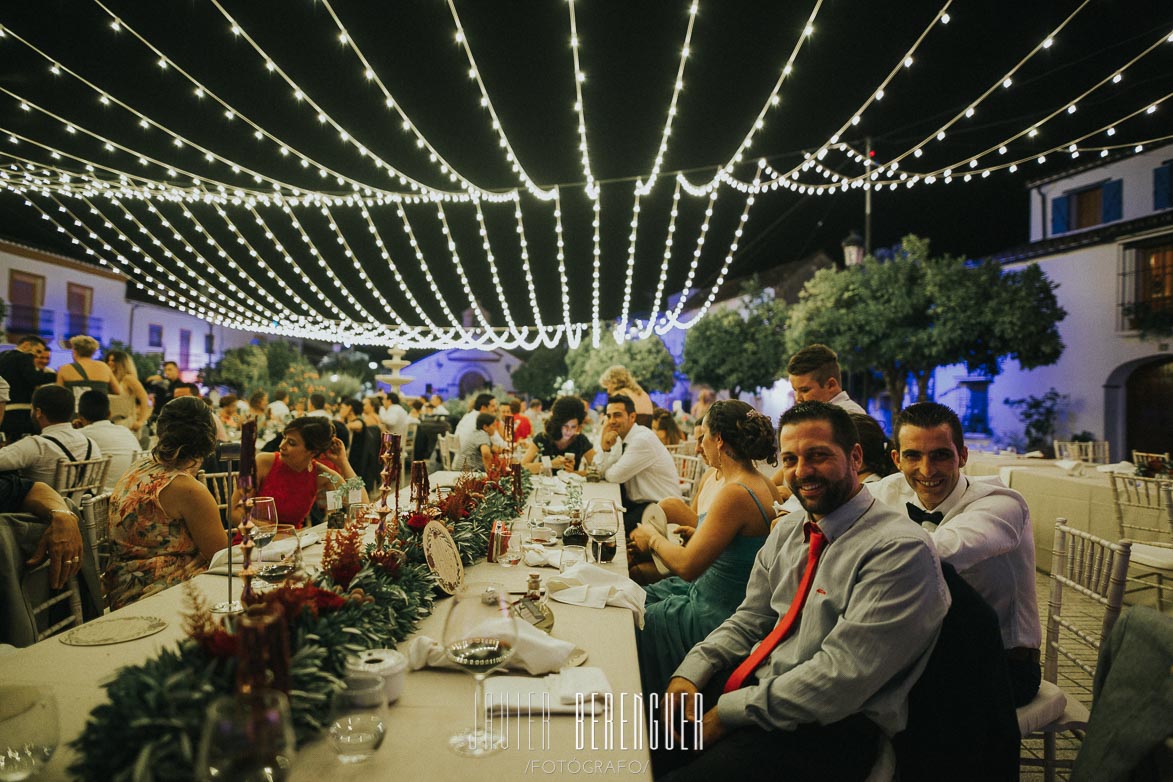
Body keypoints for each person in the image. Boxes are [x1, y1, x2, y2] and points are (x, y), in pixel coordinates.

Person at [659, 402, 948, 780]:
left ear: (855, 456)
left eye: (818, 456)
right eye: (791, 459)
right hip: (752, 694)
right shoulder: (788, 531)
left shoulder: (898, 550)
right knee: (624, 746)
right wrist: (691, 671)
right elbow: (750, 618)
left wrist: (727, 714)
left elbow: (840, 677)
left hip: (824, 729)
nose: (802, 471)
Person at [873, 401, 1041, 707]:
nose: (926, 470)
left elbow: (939, 550)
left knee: (883, 702)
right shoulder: (888, 491)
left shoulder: (1002, 504)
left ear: (962, 456)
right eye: (914, 456)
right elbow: (816, 513)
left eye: (940, 455)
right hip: (920, 654)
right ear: (897, 459)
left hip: (1005, 664)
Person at [631, 400, 780, 695]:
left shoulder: (736, 492)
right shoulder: (761, 482)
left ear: (719, 439)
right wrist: (698, 533)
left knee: (633, 620)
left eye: (704, 437)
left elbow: (687, 567)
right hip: (711, 596)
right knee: (632, 597)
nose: (700, 446)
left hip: (715, 613)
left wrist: (652, 538)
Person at [105, 397, 229, 610]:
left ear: (161, 430)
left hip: (122, 587)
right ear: (209, 441)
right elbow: (221, 558)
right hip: (161, 594)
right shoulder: (188, 489)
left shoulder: (139, 467)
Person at [231, 416, 366, 528]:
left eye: (291, 443)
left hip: (291, 547)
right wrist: (275, 533)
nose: (281, 445)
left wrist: (343, 463)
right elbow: (234, 513)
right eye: (284, 438)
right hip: (254, 543)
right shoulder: (263, 462)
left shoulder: (321, 475)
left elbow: (361, 506)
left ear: (312, 451)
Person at [594, 394, 681, 533]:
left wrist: (608, 469)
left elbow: (614, 476)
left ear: (632, 417)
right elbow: (597, 472)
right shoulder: (620, 439)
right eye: (609, 416)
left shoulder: (642, 439)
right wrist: (605, 448)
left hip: (660, 508)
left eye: (617, 415)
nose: (612, 421)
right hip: (638, 504)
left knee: (610, 528)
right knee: (599, 516)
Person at [0, 385, 101, 485]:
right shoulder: (91, 445)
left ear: (38, 412)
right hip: (82, 501)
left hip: (43, 501)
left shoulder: (38, 446)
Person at [0, 472, 85, 589]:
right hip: (78, 502)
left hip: (63, 502)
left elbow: (29, 489)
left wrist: (63, 515)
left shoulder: (38, 452)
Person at [76, 390, 141, 492]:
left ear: (80, 416)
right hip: (129, 493)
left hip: (99, 497)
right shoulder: (125, 431)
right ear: (109, 414)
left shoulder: (80, 436)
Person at [521, 396, 596, 474]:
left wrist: (573, 473)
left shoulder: (580, 440)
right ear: (558, 424)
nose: (569, 431)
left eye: (573, 427)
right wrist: (551, 464)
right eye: (565, 426)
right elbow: (522, 467)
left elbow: (597, 469)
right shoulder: (543, 438)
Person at [786, 344, 866, 414]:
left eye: (805, 390)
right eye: (795, 390)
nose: (798, 398)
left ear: (831, 385)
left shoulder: (849, 415)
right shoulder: (821, 415)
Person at [0, 335, 51, 441]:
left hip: (5, 409)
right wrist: (58, 375)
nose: (36, 355)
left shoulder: (3, 355)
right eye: (37, 351)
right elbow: (33, 378)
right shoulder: (24, 357)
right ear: (26, 345)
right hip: (22, 410)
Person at [53, 335, 121, 400]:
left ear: (75, 351)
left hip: (75, 410)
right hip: (100, 410)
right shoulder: (104, 367)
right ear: (93, 352)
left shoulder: (65, 369)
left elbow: (58, 395)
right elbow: (117, 391)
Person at [105, 350, 151, 435]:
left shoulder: (128, 379)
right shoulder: (109, 381)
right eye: (108, 360)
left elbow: (144, 399)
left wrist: (141, 421)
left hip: (126, 423)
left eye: (113, 360)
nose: (109, 363)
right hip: (110, 424)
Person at [144, 361, 180, 425]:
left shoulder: (181, 386)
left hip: (173, 419)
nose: (167, 372)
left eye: (169, 370)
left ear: (177, 370)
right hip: (158, 418)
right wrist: (149, 379)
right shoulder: (161, 383)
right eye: (165, 370)